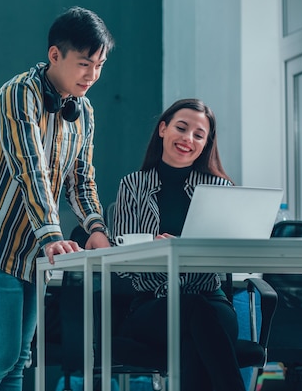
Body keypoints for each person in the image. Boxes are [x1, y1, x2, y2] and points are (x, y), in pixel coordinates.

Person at [0, 6, 114, 391]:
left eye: (99, 65)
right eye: (84, 64)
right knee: (1, 352)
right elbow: (31, 168)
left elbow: (81, 179)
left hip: (35, 250)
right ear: (55, 55)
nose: (92, 76)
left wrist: (95, 227)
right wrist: (51, 234)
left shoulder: (85, 112)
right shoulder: (18, 94)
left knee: (19, 359)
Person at [110, 98, 246, 391]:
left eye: (199, 134)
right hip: (152, 306)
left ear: (206, 142)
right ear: (163, 129)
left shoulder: (220, 189)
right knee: (196, 322)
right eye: (181, 128)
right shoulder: (132, 185)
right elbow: (121, 263)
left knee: (195, 330)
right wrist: (156, 250)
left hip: (212, 300)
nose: (188, 139)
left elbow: (229, 258)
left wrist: (184, 248)